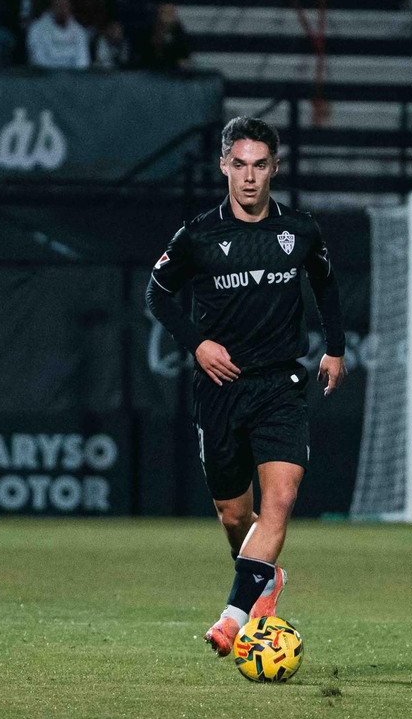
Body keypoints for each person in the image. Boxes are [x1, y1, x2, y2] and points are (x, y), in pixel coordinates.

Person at [144, 117, 346, 657]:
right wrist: (198, 344)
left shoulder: (300, 231)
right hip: (220, 388)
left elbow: (325, 284)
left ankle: (233, 619)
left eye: (260, 165)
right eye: (240, 165)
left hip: (281, 384)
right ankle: (265, 580)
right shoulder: (198, 236)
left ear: (275, 168)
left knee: (279, 500)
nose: (250, 177)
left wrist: (335, 347)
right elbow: (157, 295)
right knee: (236, 516)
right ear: (224, 167)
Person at [26, 0, 90, 68]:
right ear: (51, 7)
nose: (62, 10)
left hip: (73, 76)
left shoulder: (79, 31)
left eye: (65, 6)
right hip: (45, 75)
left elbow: (83, 60)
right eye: (58, 6)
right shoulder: (36, 29)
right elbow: (38, 59)